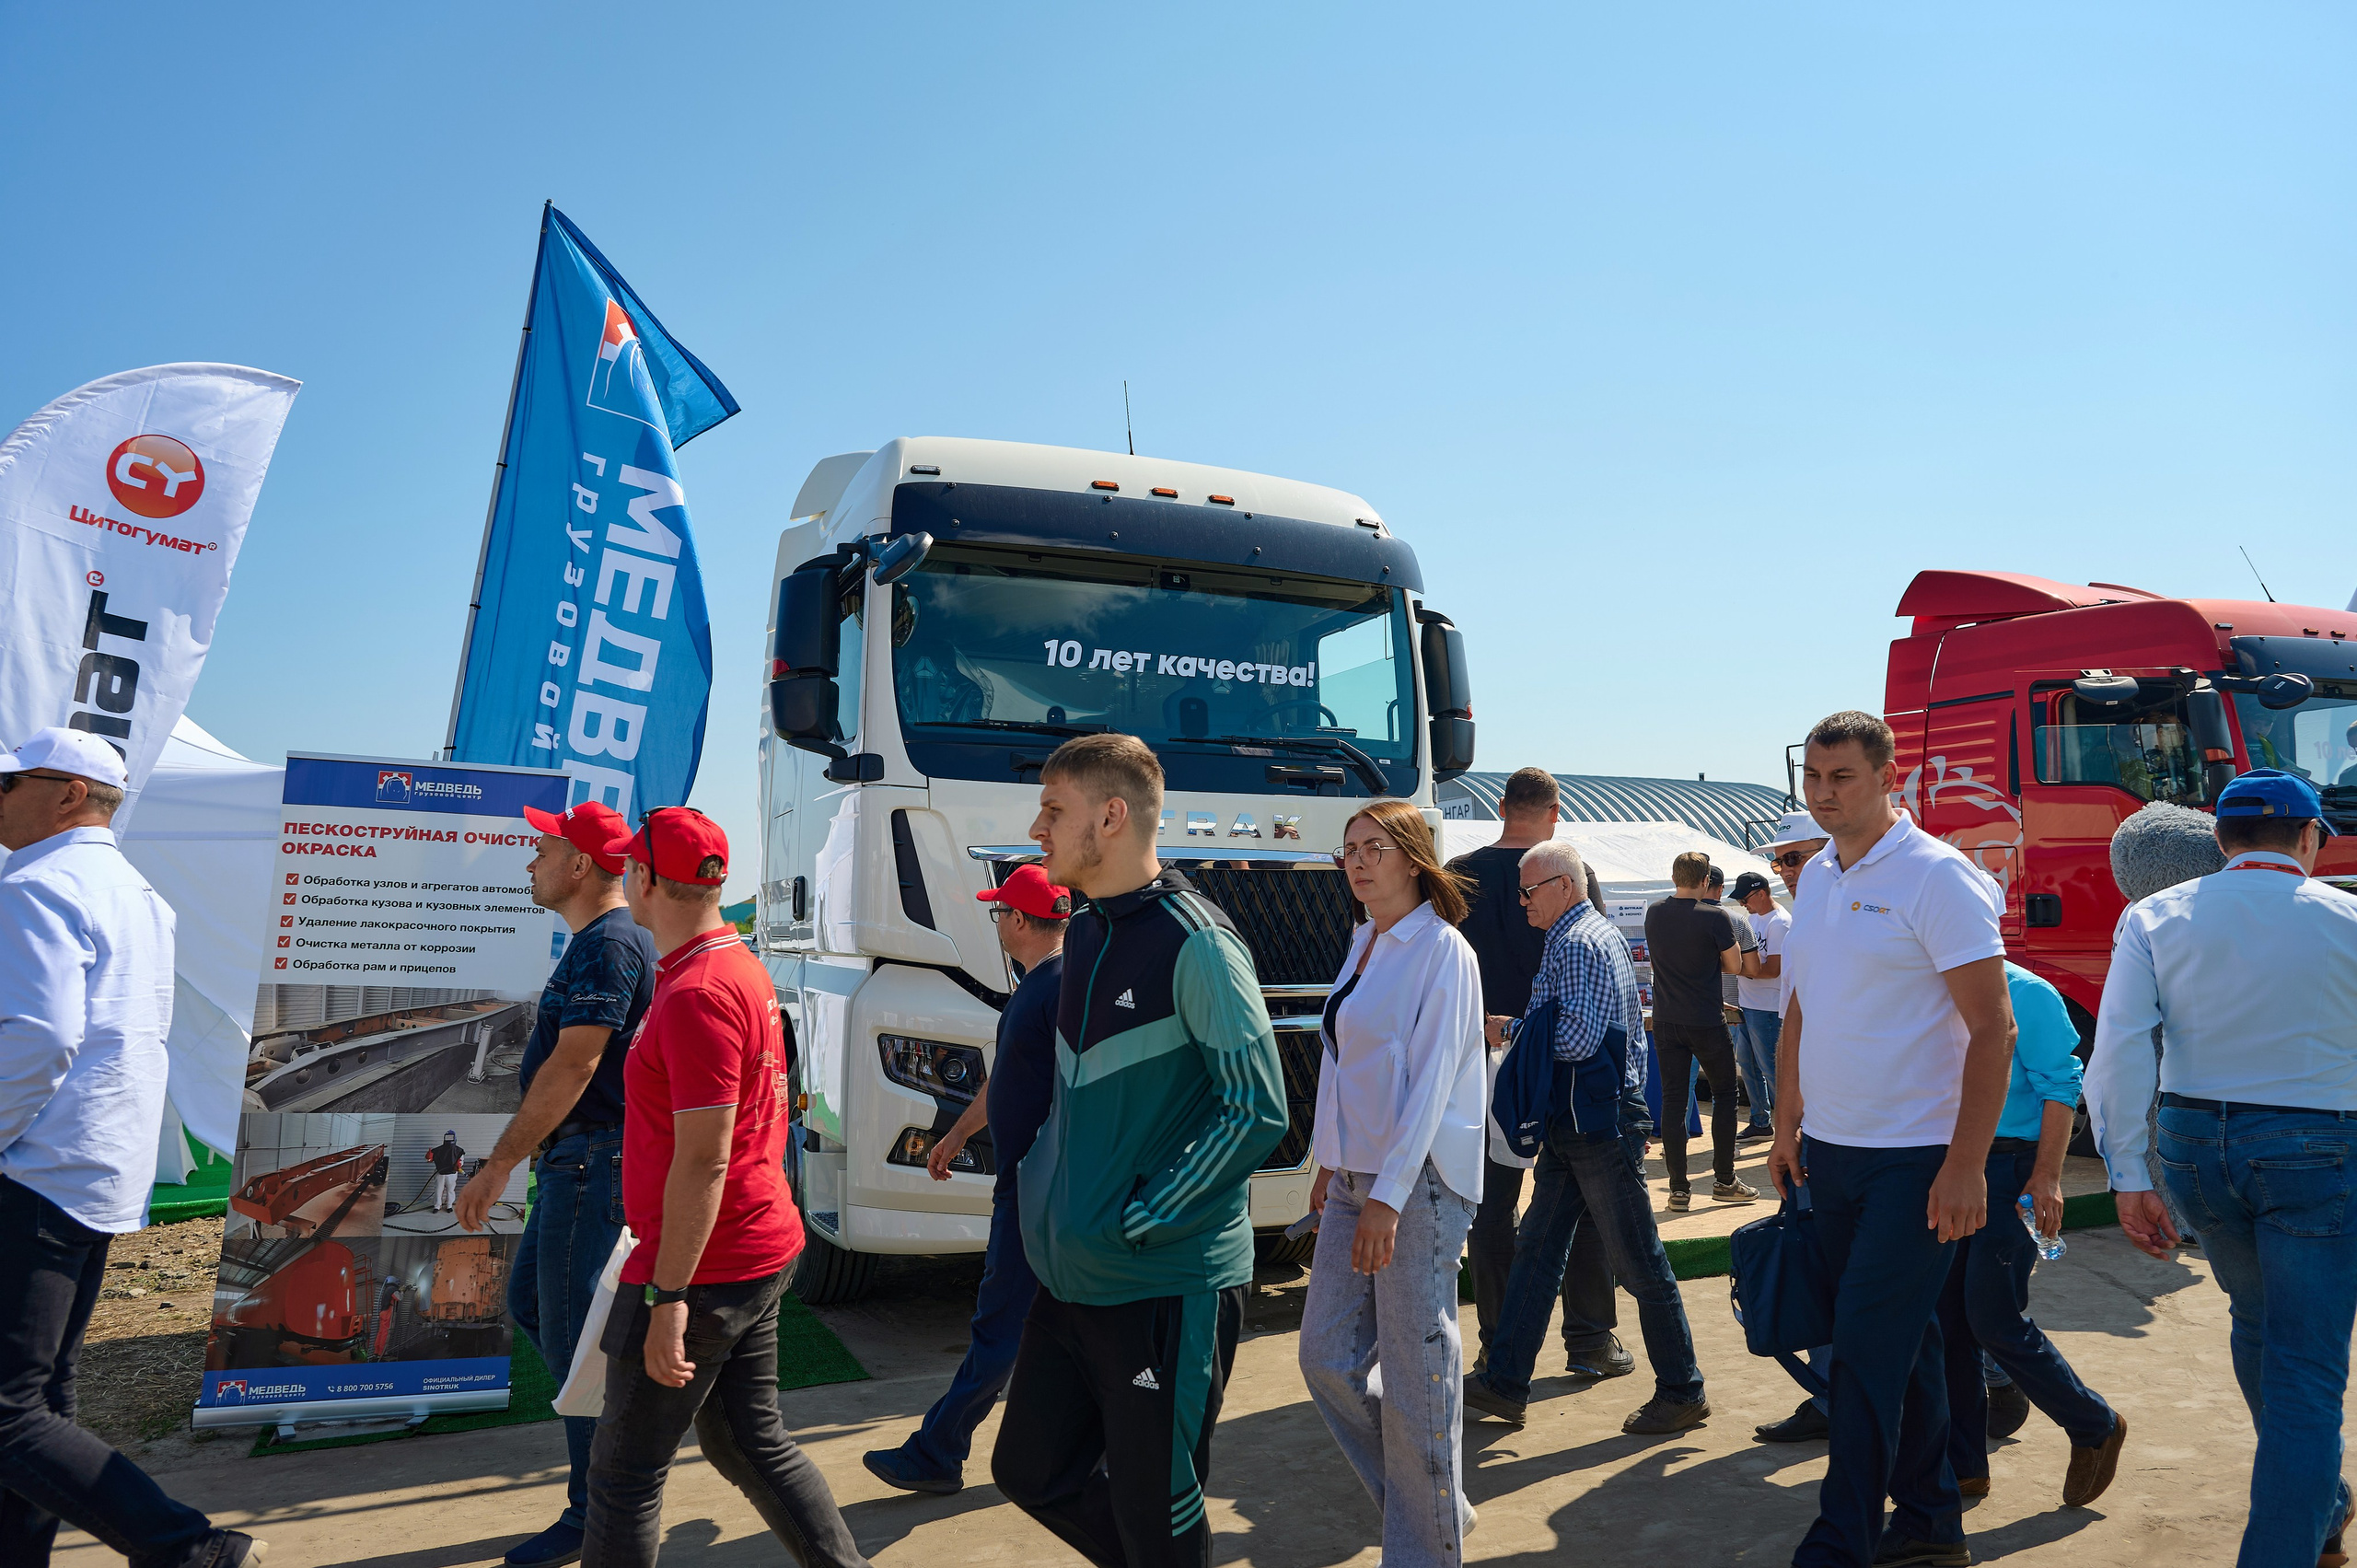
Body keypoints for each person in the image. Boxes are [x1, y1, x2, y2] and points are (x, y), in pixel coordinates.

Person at [992, 734, 1286, 1568]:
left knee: (1160, 1515)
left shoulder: (1199, 943)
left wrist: (1142, 1216)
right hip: (1075, 1276)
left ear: (1112, 816)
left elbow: (1257, 1108)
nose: (1037, 826)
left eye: (1055, 809)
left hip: (1163, 1279)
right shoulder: (1083, 932)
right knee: (1028, 1468)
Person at [0, 727, 266, 1567]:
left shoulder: (37, 886)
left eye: (12, 782)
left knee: (10, 1411)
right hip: (94, 1170)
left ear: (69, 792)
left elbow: (40, 1035)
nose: (0, 797)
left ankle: (189, 1548)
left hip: (32, 1165)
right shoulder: (137, 892)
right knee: (42, 1395)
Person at [581, 808, 866, 1568]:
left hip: (707, 1263)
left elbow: (703, 1159)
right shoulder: (730, 965)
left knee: (623, 1471)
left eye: (626, 868)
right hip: (749, 1244)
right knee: (749, 1440)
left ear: (643, 879)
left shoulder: (698, 990)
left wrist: (667, 1297)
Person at [2087, 768, 2357, 1568]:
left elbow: (2118, 1051)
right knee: (2308, 1365)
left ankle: (2321, 1501)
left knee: (2254, 1317)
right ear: (2311, 838)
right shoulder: (2348, 918)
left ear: (2221, 839)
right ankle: (2288, 1537)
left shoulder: (2153, 915)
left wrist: (2128, 1173)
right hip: (2319, 1146)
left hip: (2196, 1145)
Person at [1768, 711, 2017, 1568]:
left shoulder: (1935, 877)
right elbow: (1801, 1005)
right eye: (1814, 778)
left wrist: (1965, 1166)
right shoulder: (1821, 880)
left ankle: (1841, 1539)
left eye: (1842, 777)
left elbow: (1995, 1029)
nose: (1825, 794)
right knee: (1903, 1349)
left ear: (1888, 776)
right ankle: (1930, 1521)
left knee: (1865, 1356)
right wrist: (1786, 1120)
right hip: (1832, 1154)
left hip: (1916, 1163)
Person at [458, 798, 654, 1568]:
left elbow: (577, 1064)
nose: (530, 863)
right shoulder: (603, 938)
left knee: (580, 1353)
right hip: (582, 1161)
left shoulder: (609, 942)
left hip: (591, 1161)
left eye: (542, 850)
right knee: (536, 1308)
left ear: (579, 864)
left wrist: (501, 1160)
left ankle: (594, 1513)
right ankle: (617, 1449)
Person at [1462, 838, 1710, 1434]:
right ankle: (1504, 1382)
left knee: (1634, 1258)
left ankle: (1682, 1387)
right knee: (1539, 1252)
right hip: (1584, 1121)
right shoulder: (1589, 936)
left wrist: (1513, 1029)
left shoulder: (1574, 941)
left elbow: (1575, 1040)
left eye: (1528, 890)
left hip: (1594, 1124)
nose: (1521, 901)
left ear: (1563, 887)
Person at [1298, 799, 1486, 1567]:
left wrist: (1388, 1194)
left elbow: (1434, 1083)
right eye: (1348, 849)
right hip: (1354, 1177)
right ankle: (1435, 1506)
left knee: (1417, 1378)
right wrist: (1326, 1158)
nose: (1357, 860)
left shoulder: (1442, 950)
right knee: (1324, 1358)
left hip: (1418, 1184)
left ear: (1413, 857)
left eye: (1373, 846)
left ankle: (1425, 1545)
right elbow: (1345, 1063)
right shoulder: (1363, 943)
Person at [865, 863, 1068, 1494]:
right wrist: (955, 1135)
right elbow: (1007, 1079)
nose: (996, 920)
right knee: (1051, 1330)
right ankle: (1080, 1452)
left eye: (998, 911)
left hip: (1033, 1189)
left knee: (1001, 1325)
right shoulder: (1057, 982)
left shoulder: (1045, 990)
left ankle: (937, 1450)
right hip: (1049, 1187)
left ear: (1019, 920)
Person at [1448, 767, 1632, 1383]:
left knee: (1492, 1210)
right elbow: (1600, 959)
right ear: (1555, 814)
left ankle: (1498, 1344)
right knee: (1573, 1203)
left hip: (1484, 1060)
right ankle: (1588, 1340)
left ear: (1501, 807)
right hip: (1559, 1061)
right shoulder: (1569, 872)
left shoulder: (1458, 873)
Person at [1934, 962, 2123, 1505]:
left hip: (2008, 1167)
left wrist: (2047, 1176)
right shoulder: (1924, 981)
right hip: (1944, 1167)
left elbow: (2062, 1086)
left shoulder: (2027, 991)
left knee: (1993, 1317)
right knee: (1949, 1320)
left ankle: (2094, 1424)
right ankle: (1965, 1465)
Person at [1749, 809, 1837, 1447]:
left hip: (1862, 1131)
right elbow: (1793, 1038)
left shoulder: (1847, 916)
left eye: (1795, 857)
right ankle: (1833, 1396)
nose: (1783, 871)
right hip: (1819, 1126)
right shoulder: (1806, 919)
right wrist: (1787, 1127)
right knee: (1817, 1263)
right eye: (1779, 860)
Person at [1644, 852, 1755, 1209]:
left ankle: (1678, 1189)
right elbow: (1735, 965)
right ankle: (1724, 1179)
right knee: (1725, 1094)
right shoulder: (1715, 916)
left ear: (1675, 876)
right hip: (1706, 1019)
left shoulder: (1655, 912)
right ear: (1706, 880)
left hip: (1666, 1019)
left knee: (1674, 1101)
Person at [1702, 863, 1765, 1144]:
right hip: (1731, 1010)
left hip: (1688, 1010)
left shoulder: (1668, 917)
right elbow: (1752, 969)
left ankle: (1677, 1140)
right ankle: (1726, 1143)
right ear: (1719, 888)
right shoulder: (1737, 921)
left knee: (1683, 1084)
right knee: (1727, 1083)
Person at [1731, 869, 1785, 1141]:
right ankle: (1761, 1122)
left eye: (1745, 899)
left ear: (1761, 893)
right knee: (1749, 1065)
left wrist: (1738, 968)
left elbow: (1774, 969)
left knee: (1772, 1070)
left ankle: (1791, 1128)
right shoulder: (1753, 918)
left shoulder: (1780, 922)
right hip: (1749, 1004)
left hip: (1769, 1007)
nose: (1743, 904)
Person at [428, 1131, 467, 1212]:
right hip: (440, 1173)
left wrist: (459, 1164)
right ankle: (437, 1206)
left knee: (450, 1190)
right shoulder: (438, 1150)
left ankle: (449, 1205)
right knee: (438, 1190)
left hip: (452, 1174)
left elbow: (461, 1160)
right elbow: (429, 1159)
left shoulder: (459, 1151)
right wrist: (429, 1155)